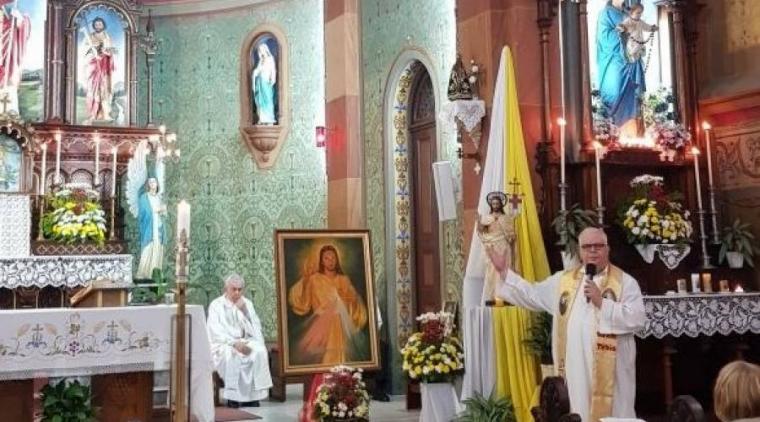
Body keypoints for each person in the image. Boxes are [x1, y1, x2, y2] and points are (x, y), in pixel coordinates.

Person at [486, 227, 646, 422]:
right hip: (574, 367)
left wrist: (602, 303)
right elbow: (533, 294)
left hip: (612, 372)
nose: (593, 250)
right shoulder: (563, 281)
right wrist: (505, 273)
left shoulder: (625, 283)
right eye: (587, 246)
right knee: (577, 409)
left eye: (598, 246)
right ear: (579, 251)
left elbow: (637, 319)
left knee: (613, 413)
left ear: (607, 249)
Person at [288, 244, 368, 365]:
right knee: (321, 358)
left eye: (333, 258)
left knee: (342, 360)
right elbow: (302, 301)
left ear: (337, 259)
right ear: (321, 261)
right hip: (321, 326)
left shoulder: (344, 280)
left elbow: (354, 303)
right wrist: (305, 279)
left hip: (341, 326)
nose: (330, 261)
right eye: (326, 258)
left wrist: (344, 299)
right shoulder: (314, 279)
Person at [207, 274, 273, 408]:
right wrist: (234, 343)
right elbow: (214, 330)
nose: (237, 292)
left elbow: (256, 327)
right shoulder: (216, 305)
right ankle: (233, 398)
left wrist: (245, 312)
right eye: (234, 289)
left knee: (259, 352)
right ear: (226, 289)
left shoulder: (247, 303)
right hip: (225, 344)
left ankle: (253, 397)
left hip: (245, 340)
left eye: (240, 289)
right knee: (233, 355)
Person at [596, 0, 646, 136]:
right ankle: (614, 132)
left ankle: (631, 135)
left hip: (630, 62)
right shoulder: (606, 13)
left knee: (631, 95)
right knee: (615, 92)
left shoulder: (627, 13)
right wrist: (621, 33)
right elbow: (605, 38)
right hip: (614, 61)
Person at [477, 191, 516, 306]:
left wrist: (511, 238)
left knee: (505, 272)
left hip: (504, 248)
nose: (495, 205)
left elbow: (511, 233)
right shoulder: (487, 218)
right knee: (493, 273)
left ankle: (506, 296)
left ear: (500, 205)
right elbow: (482, 232)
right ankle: (495, 296)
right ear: (491, 205)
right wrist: (479, 222)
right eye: (493, 204)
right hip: (493, 248)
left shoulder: (505, 218)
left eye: (497, 203)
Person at [81, 17, 115, 123]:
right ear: (94, 26)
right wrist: (93, 52)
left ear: (103, 25)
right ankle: (92, 114)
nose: (98, 26)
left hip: (104, 66)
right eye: (96, 24)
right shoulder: (90, 37)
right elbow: (84, 50)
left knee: (104, 89)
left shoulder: (107, 37)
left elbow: (110, 51)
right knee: (93, 90)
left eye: (100, 24)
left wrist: (104, 52)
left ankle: (105, 114)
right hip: (93, 66)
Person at [0, 0, 30, 114]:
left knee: (8, 108)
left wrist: (20, 20)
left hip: (8, 68)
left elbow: (23, 25)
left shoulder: (9, 21)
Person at [135, 177, 166, 280]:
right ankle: (144, 274)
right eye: (150, 182)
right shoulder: (144, 197)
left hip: (158, 227)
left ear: (157, 184)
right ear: (148, 185)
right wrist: (155, 211)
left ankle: (155, 273)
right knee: (147, 250)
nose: (153, 183)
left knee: (158, 249)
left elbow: (164, 214)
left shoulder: (159, 198)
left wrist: (162, 211)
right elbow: (142, 213)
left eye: (154, 181)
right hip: (149, 228)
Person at [251, 42, 276, 125]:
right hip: (260, 82)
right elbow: (258, 70)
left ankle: (269, 119)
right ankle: (262, 119)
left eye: (262, 50)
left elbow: (273, 70)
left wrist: (273, 79)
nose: (261, 52)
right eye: (260, 50)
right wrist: (255, 72)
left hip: (266, 82)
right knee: (260, 101)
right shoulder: (261, 61)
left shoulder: (270, 58)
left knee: (268, 100)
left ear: (265, 50)